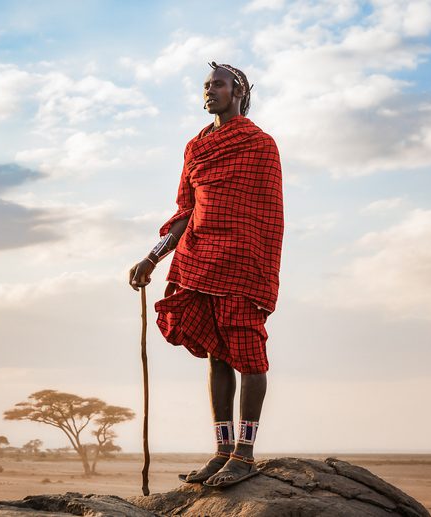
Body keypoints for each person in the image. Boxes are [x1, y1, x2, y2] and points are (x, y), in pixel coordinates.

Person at [129, 62, 284, 488]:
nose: (210, 91)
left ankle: (245, 454)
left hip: (242, 263)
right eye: (206, 85)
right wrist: (153, 257)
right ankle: (222, 450)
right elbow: (186, 211)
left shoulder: (259, 144)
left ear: (239, 92)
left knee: (249, 355)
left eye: (218, 85)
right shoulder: (196, 147)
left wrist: (257, 263)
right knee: (217, 354)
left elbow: (269, 215)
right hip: (200, 258)